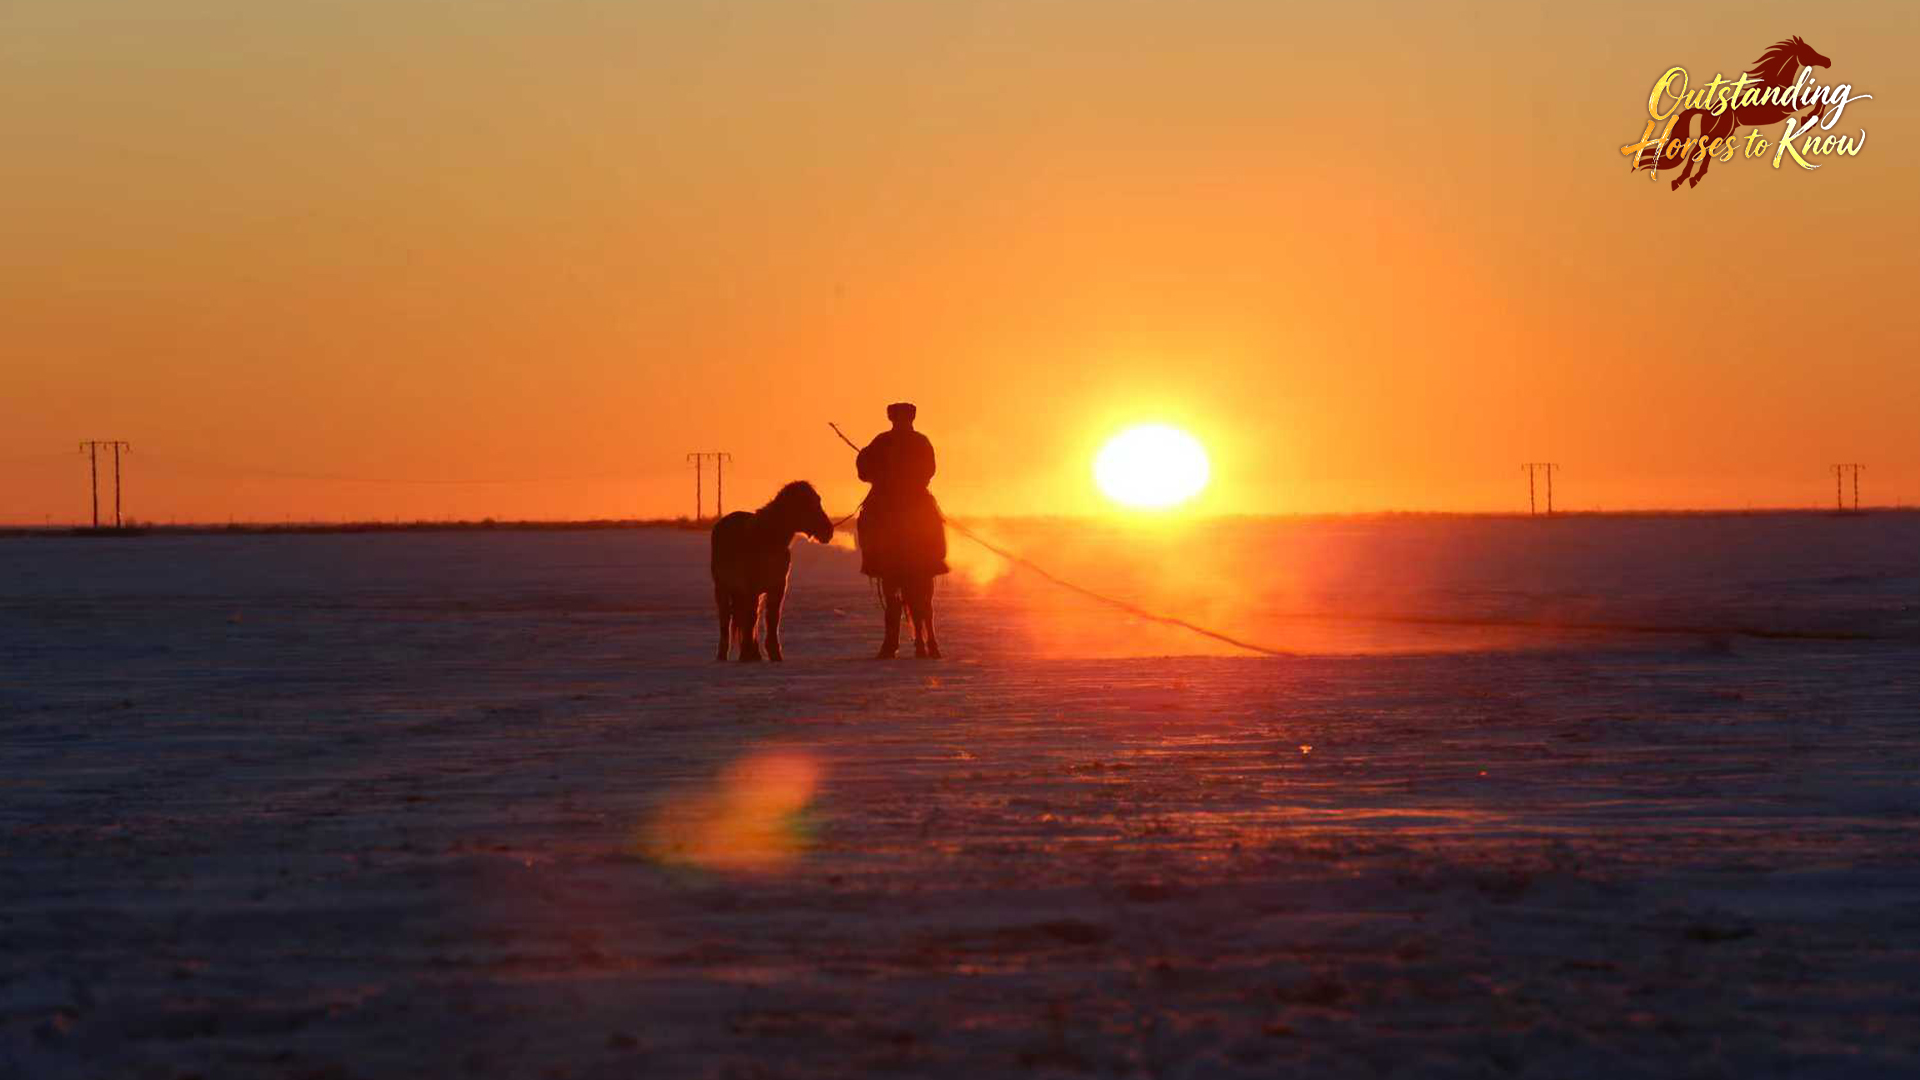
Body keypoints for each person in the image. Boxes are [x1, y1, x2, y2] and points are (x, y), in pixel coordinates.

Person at [856, 402, 948, 657]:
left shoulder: (883, 441)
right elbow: (930, 471)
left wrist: (870, 463)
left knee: (868, 523)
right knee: (932, 524)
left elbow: (864, 472)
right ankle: (934, 559)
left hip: (888, 500)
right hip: (914, 498)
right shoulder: (920, 441)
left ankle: (873, 559)